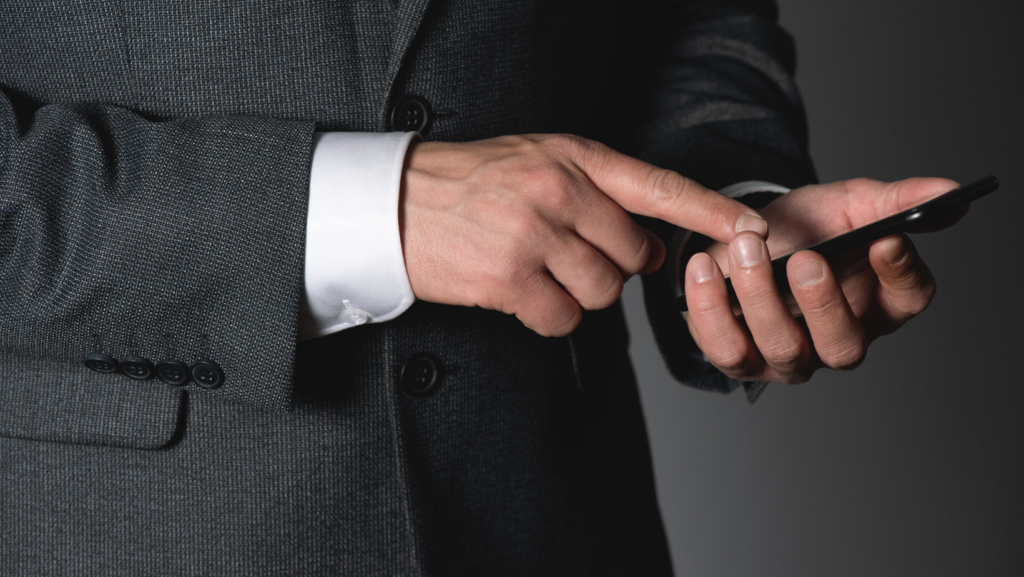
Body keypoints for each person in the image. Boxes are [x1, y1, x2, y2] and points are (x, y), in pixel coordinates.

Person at [0, 0, 952, 574]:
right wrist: (366, 210)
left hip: (551, 515)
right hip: (114, 526)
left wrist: (735, 225)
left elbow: (692, 18)